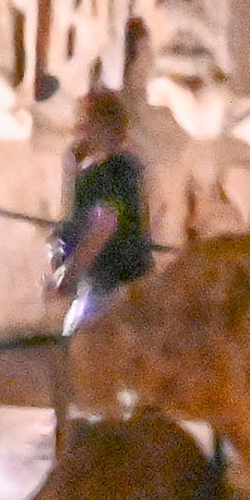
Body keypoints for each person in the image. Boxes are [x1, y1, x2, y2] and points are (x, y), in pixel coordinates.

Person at [54, 86, 155, 335]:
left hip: (115, 289)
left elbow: (104, 224)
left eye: (84, 121)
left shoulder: (119, 169)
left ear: (102, 126)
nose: (77, 130)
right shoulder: (90, 175)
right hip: (100, 288)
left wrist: (68, 277)